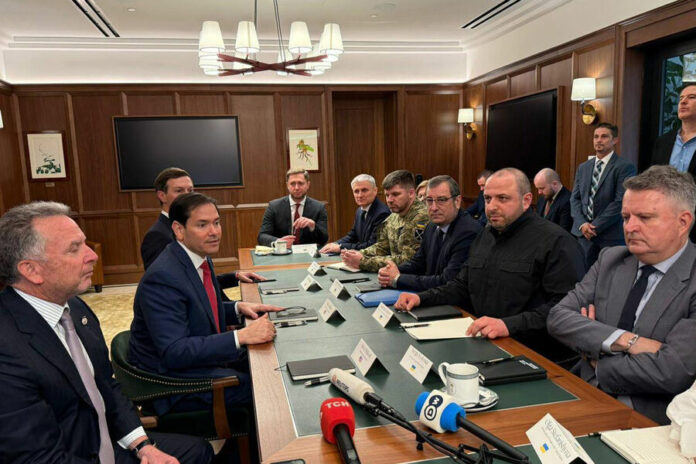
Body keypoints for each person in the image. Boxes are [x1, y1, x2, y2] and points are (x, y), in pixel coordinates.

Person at [0, 201, 212, 464]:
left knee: (198, 451)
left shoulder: (76, 309)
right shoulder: (7, 348)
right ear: (31, 270)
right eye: (74, 249)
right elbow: (36, 457)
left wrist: (142, 445)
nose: (93, 255)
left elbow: (106, 386)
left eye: (85, 244)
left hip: (105, 442)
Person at [548, 165, 696, 425]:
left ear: (683, 222)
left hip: (650, 417)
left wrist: (598, 358)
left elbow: (672, 371)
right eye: (626, 217)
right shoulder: (611, 258)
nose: (630, 227)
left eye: (645, 217)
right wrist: (627, 341)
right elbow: (558, 318)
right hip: (582, 389)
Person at [395, 168, 584, 362]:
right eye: (487, 199)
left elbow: (566, 308)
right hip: (482, 341)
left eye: (502, 198)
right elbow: (462, 285)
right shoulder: (485, 235)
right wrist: (421, 298)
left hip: (533, 353)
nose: (492, 206)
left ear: (526, 200)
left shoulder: (557, 242)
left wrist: (508, 325)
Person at [129, 193, 281, 429]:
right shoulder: (162, 278)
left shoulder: (197, 256)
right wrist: (240, 336)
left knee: (270, 363)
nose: (214, 232)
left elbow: (197, 310)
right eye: (202, 225)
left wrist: (237, 308)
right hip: (171, 383)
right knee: (263, 385)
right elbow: (174, 351)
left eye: (216, 223)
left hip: (194, 361)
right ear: (179, 230)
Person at [140, 167, 267, 296]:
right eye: (179, 191)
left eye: (190, 190)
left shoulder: (198, 229)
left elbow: (199, 279)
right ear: (162, 196)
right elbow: (168, 288)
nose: (187, 195)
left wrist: (234, 276)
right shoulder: (156, 236)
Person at [377, 175, 481, 291]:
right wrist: (391, 271)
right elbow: (418, 263)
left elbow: (447, 281)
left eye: (441, 200)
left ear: (457, 201)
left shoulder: (468, 232)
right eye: (429, 200)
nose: (434, 207)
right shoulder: (431, 226)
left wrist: (398, 278)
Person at [570, 123, 636, 270]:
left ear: (615, 140)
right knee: (582, 277)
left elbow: (620, 201)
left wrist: (595, 226)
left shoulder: (625, 167)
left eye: (604, 136)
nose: (599, 140)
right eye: (596, 137)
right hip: (583, 236)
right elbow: (575, 199)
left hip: (609, 236)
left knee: (609, 278)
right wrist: (582, 224)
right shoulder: (583, 167)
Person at [341, 169, 429, 272]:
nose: (389, 200)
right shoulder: (393, 216)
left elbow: (408, 260)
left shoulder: (421, 217)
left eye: (395, 194)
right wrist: (359, 254)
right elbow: (382, 246)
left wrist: (363, 261)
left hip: (414, 276)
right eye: (387, 195)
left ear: (411, 193)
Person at [652, 83, 696, 242]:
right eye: (681, 98)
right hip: (663, 221)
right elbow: (653, 180)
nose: (683, 102)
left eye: (691, 97)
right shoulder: (663, 141)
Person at [319, 174, 390, 254]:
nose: (360, 195)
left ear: (375, 190)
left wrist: (341, 247)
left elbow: (372, 245)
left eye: (364, 190)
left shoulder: (382, 213)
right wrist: (335, 244)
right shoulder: (359, 211)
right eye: (356, 191)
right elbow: (352, 236)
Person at [258, 168, 329, 247]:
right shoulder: (274, 206)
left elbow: (324, 239)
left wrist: (313, 226)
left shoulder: (319, 208)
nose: (296, 188)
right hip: (283, 252)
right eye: (292, 184)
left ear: (308, 185)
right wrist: (278, 242)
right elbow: (262, 236)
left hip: (308, 252)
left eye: (300, 183)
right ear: (287, 185)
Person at [533, 167, 572, 232]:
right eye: (538, 188)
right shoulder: (542, 198)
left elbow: (563, 232)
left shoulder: (568, 201)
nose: (539, 192)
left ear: (555, 184)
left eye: (542, 188)